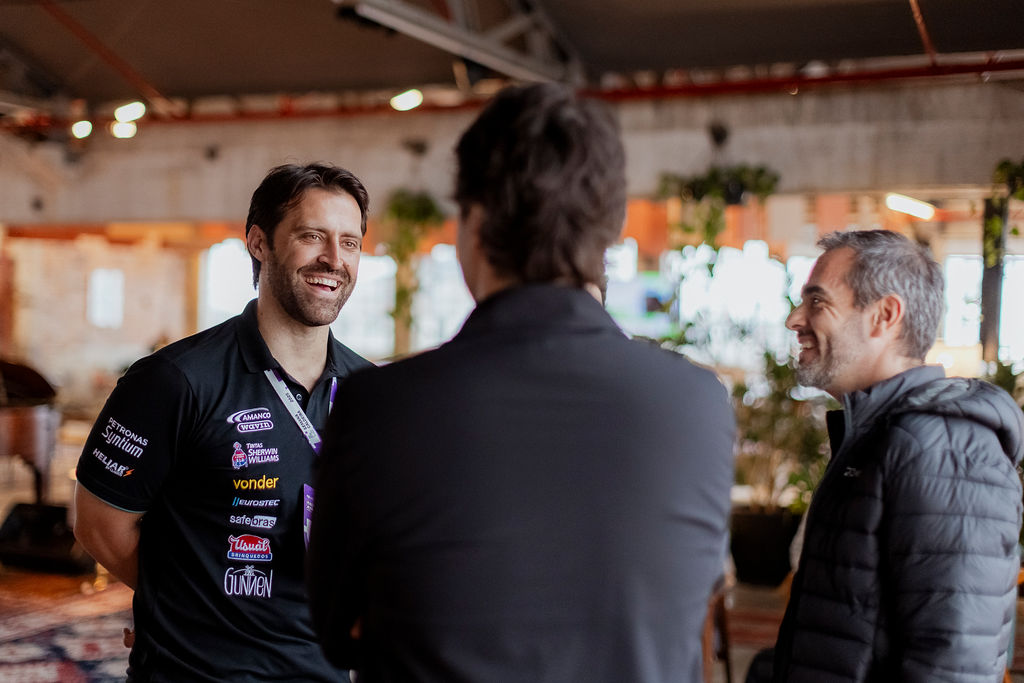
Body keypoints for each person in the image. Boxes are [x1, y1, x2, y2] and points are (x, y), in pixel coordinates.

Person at [306, 83, 736, 682]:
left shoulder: (380, 407)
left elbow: (336, 629)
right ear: (609, 229)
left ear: (476, 223)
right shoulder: (699, 406)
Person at [73, 162, 372, 682]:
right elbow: (100, 525)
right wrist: (184, 612)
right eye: (311, 236)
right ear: (258, 243)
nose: (333, 258)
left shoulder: (371, 393)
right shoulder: (174, 380)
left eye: (350, 242)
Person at [770, 229, 1024, 682]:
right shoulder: (885, 436)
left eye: (817, 302)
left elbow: (954, 664)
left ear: (884, 316)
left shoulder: (945, 448)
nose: (795, 319)